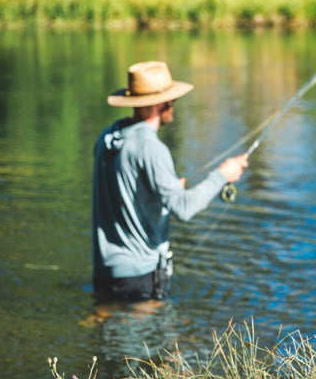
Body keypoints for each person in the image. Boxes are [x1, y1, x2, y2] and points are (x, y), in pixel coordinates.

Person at [92, 60, 248, 302]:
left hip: (104, 272)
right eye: (171, 100)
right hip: (139, 277)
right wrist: (222, 175)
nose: (174, 105)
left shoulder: (107, 137)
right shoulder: (152, 147)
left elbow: (125, 193)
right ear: (159, 104)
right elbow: (184, 209)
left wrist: (167, 190)